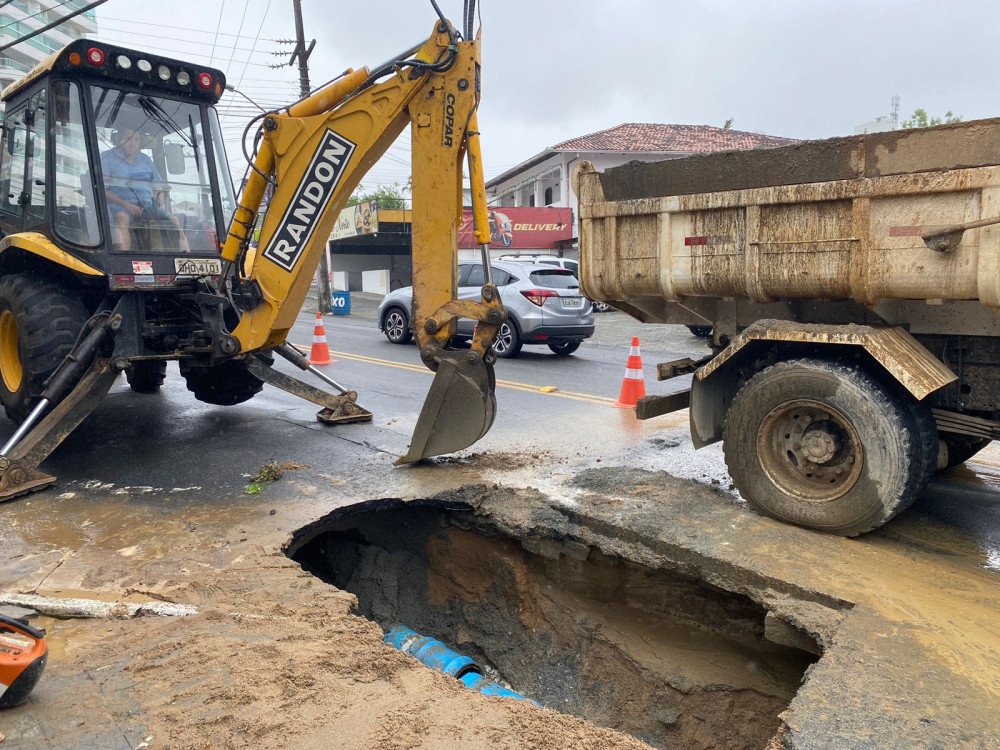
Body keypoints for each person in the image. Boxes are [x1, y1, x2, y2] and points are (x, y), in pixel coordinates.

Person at [101, 128, 189, 252]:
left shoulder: (146, 160)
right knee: (122, 218)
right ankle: (123, 258)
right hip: (120, 206)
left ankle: (187, 259)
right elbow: (102, 190)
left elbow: (158, 187)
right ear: (119, 140)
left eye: (136, 140)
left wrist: (159, 202)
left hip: (147, 206)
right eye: (128, 139)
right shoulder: (107, 158)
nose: (132, 143)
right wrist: (127, 205)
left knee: (174, 220)